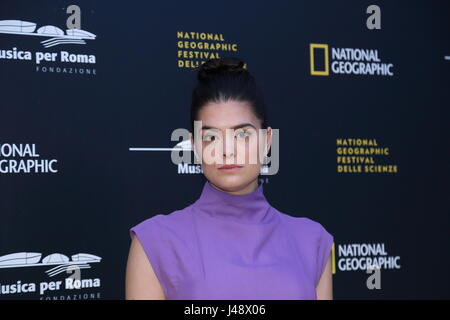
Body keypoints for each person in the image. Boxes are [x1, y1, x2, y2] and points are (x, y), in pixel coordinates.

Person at [125, 57, 334, 300]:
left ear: (267, 141)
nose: (227, 150)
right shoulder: (156, 243)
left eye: (242, 134)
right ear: (194, 146)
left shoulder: (311, 241)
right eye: (211, 136)